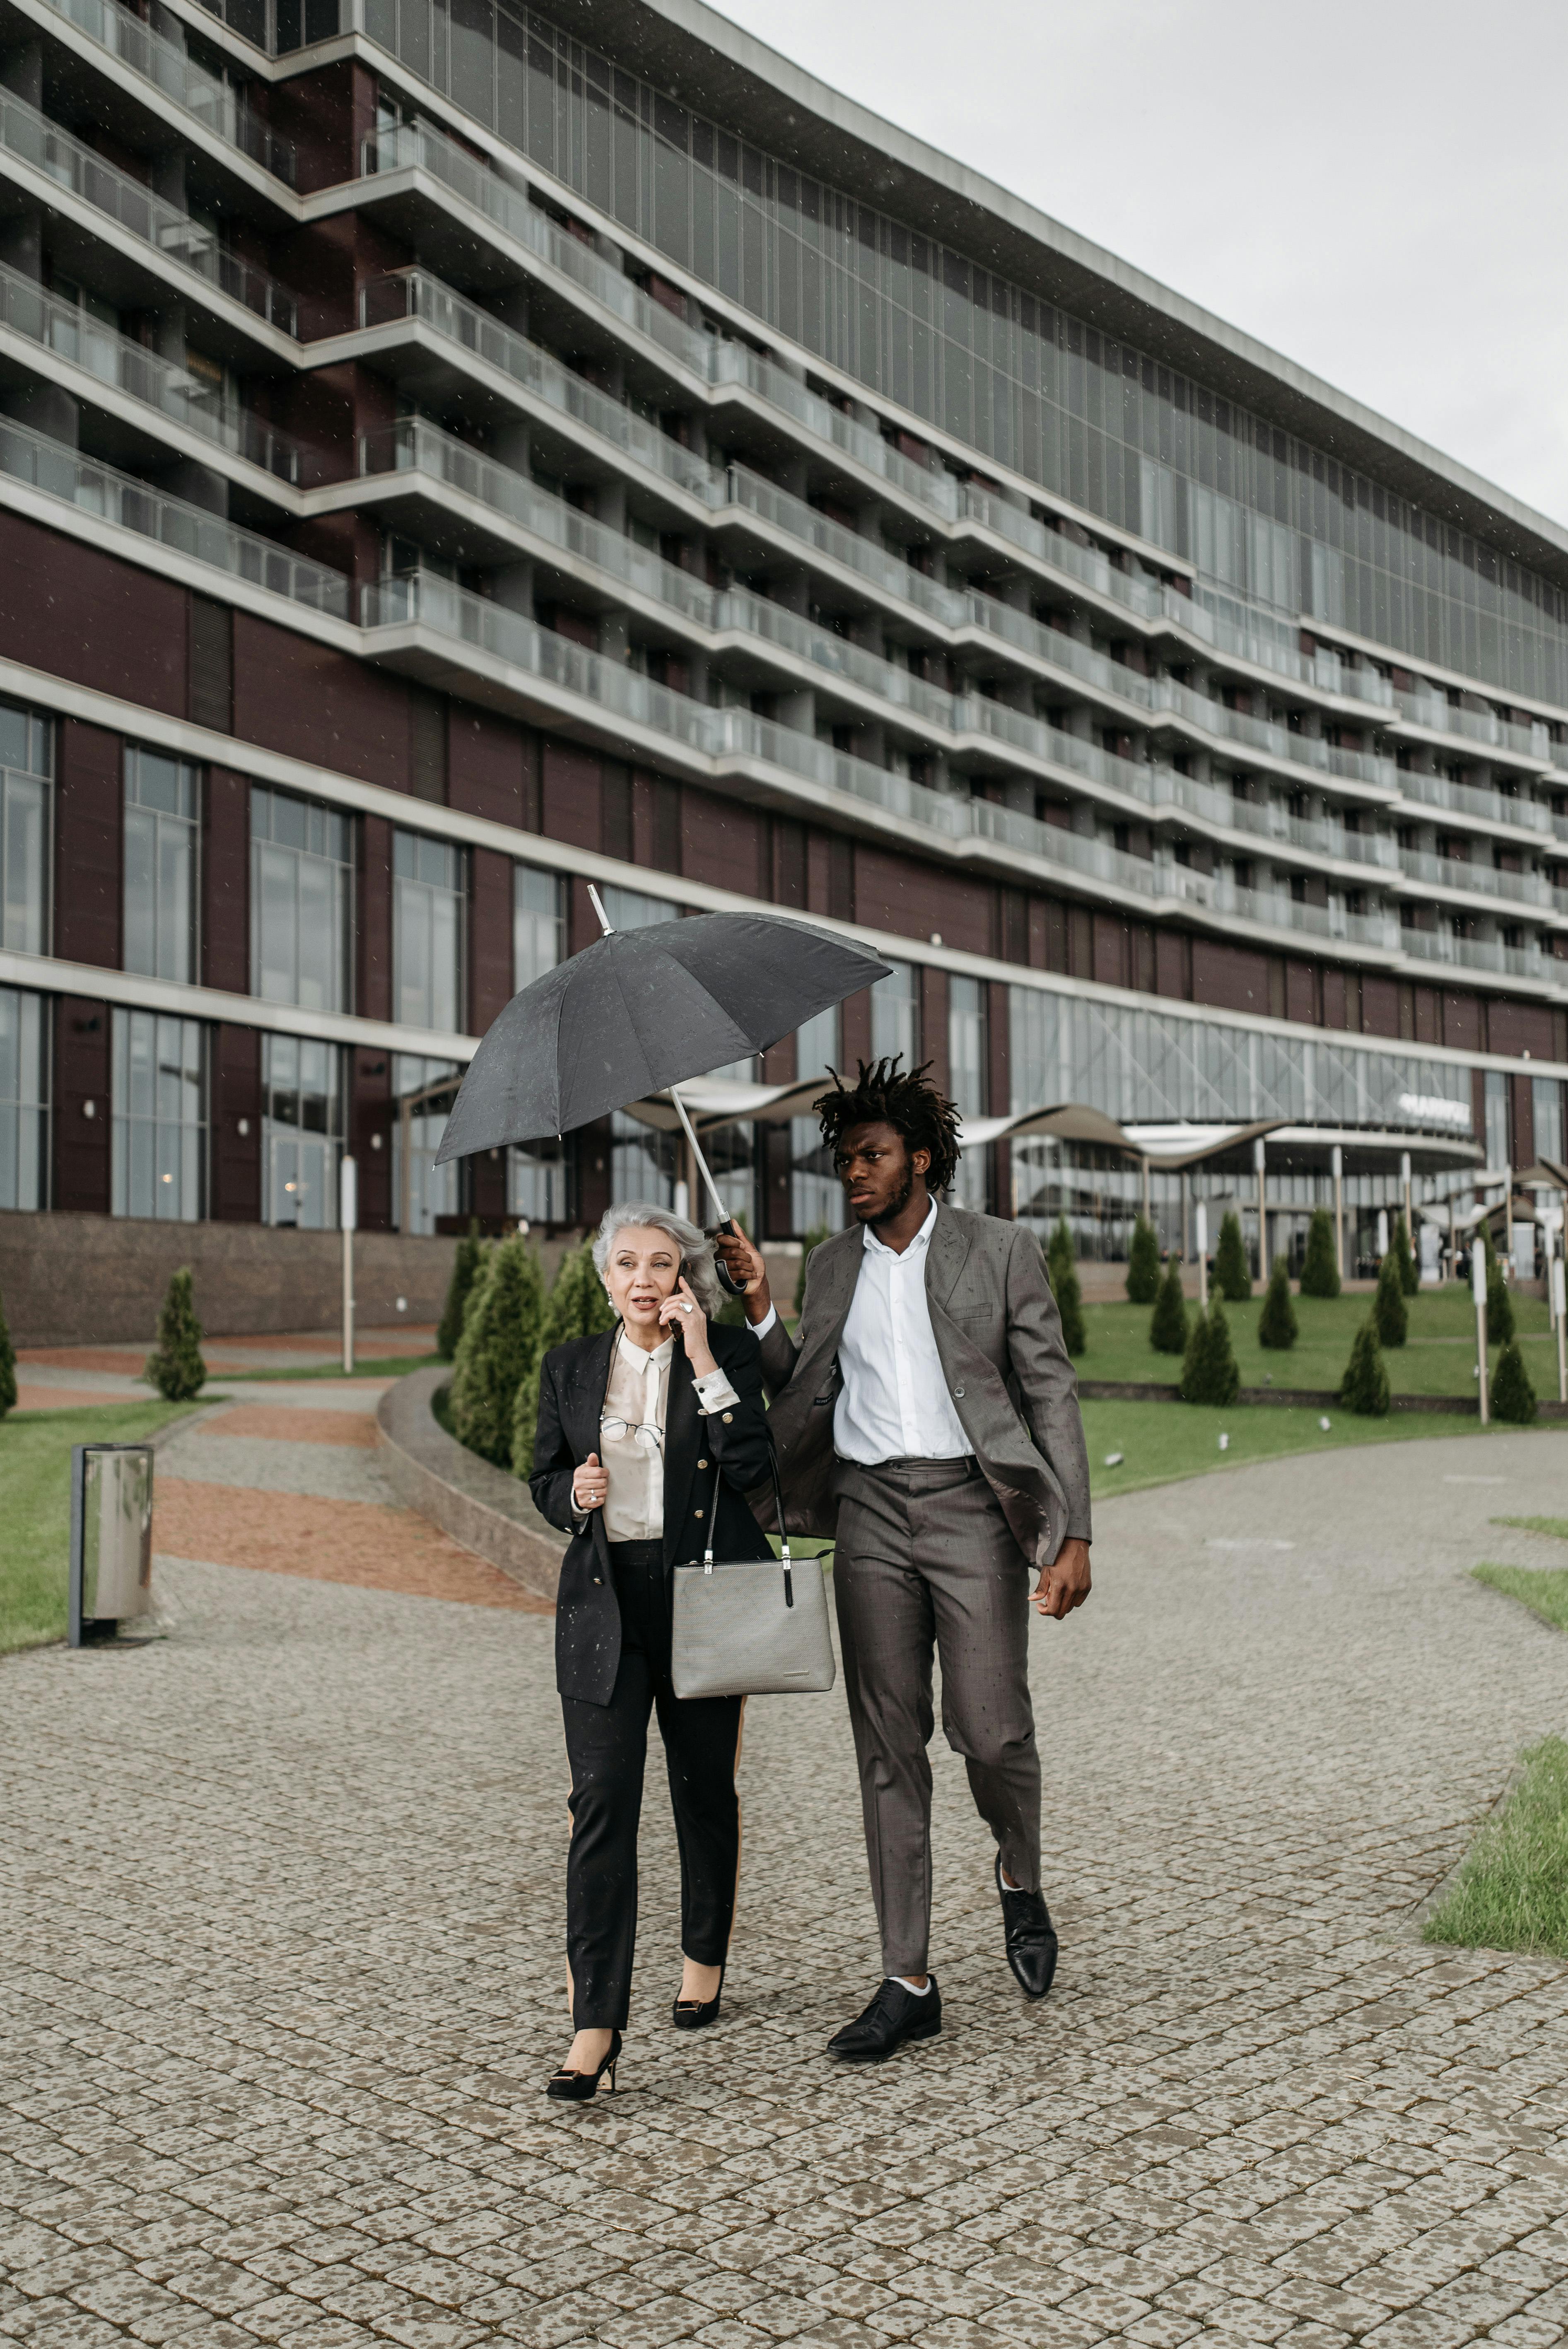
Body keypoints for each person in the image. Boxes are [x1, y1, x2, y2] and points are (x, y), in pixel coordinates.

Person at [716, 1058, 1093, 2063]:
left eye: (873, 1156)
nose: (855, 1174)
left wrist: (1075, 1535)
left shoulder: (1002, 1251)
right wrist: (760, 1310)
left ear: (921, 1159)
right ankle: (907, 1979)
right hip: (872, 1510)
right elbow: (802, 1388)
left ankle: (1019, 1874)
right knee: (888, 1746)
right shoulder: (831, 1264)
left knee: (993, 1727)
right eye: (846, 1160)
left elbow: (1050, 1392)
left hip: (974, 1507)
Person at [529, 1202, 773, 2100]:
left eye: (662, 1264)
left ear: (682, 1279)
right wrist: (573, 1493)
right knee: (601, 1803)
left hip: (701, 1598)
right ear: (605, 1277)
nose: (643, 1278)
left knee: (702, 1788)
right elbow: (542, 1472)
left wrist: (705, 1354)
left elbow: (750, 1464)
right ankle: (595, 2022)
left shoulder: (725, 1355)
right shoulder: (571, 1366)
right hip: (604, 1607)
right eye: (626, 1262)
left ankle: (703, 1951)